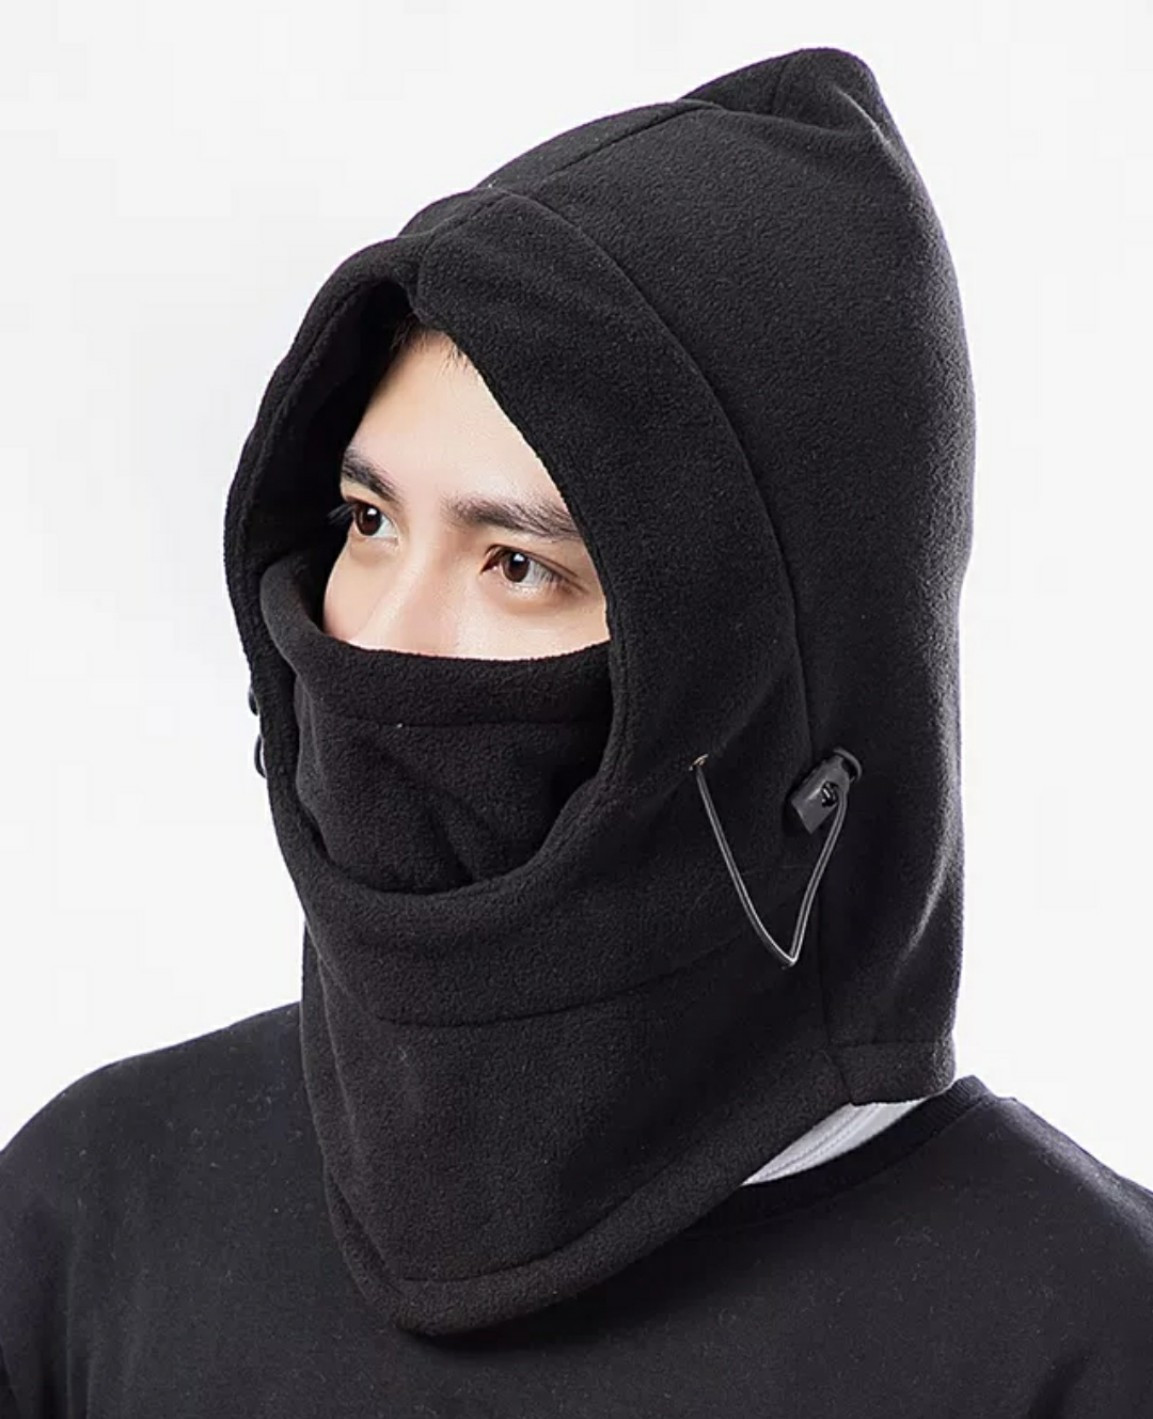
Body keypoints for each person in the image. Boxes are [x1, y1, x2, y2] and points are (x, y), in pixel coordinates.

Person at [2, 43, 1151, 1417]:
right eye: (367, 522)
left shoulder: (1083, 1341)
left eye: (516, 564)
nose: (379, 639)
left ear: (765, 690)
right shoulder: (95, 1221)